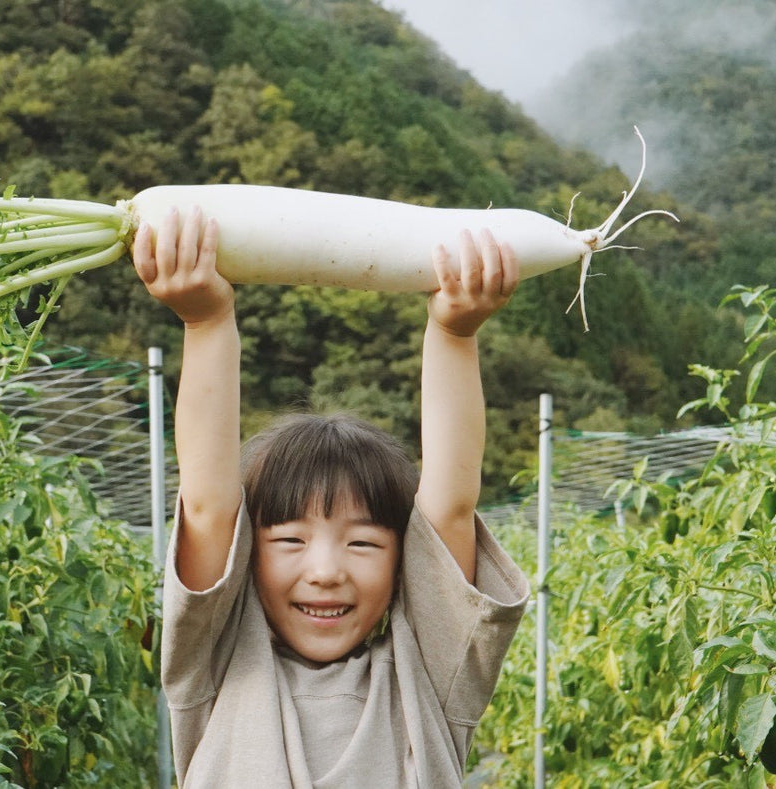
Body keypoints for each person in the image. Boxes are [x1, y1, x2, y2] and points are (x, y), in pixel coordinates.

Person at [132, 206, 531, 788]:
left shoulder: (428, 674)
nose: (325, 571)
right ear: (247, 555)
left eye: (364, 542)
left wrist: (453, 332)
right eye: (290, 539)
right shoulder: (216, 664)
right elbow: (209, 504)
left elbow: (448, 505)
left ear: (406, 562)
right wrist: (207, 322)